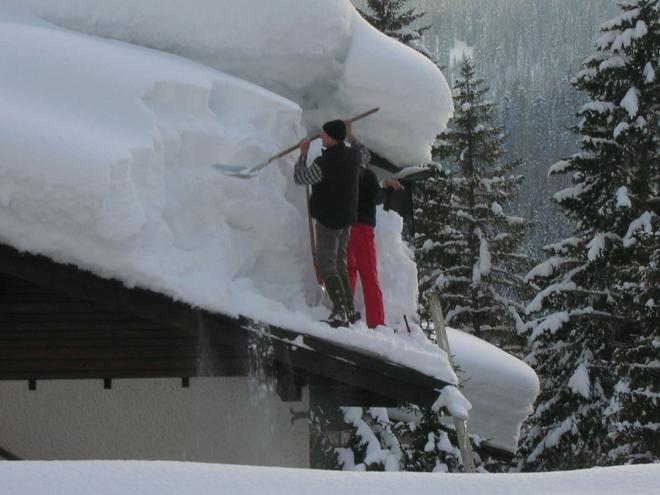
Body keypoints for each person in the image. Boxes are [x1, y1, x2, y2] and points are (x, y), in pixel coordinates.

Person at [293, 119, 369, 326]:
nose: (322, 137)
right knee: (340, 264)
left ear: (333, 138)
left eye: (325, 135)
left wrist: (303, 152)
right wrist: (351, 136)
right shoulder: (354, 156)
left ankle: (340, 310)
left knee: (327, 266)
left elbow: (300, 178)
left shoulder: (323, 164)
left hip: (328, 220)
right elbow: (366, 155)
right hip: (346, 220)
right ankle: (349, 309)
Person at [346, 138, 403, 329]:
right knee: (369, 275)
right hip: (363, 229)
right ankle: (376, 321)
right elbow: (377, 198)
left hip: (345, 230)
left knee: (349, 272)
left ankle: (345, 313)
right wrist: (383, 189)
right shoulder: (367, 176)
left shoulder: (346, 175)